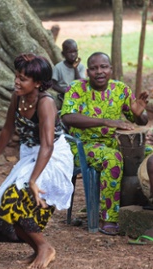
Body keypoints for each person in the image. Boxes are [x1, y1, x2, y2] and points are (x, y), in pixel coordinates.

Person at [0, 53, 74, 269]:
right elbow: (7, 129)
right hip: (31, 156)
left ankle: (45, 247)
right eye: (17, 76)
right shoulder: (18, 97)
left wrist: (34, 180)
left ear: (38, 84)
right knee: (9, 203)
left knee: (17, 198)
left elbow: (48, 145)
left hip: (53, 158)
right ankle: (38, 250)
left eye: (23, 79)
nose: (17, 82)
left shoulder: (46, 103)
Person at [61, 52, 152, 236]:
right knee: (113, 158)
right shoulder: (76, 88)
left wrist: (138, 113)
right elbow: (68, 117)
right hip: (83, 146)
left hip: (114, 142)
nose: (99, 72)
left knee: (147, 153)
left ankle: (145, 201)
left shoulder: (120, 89)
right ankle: (108, 218)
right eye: (94, 68)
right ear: (88, 71)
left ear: (111, 69)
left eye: (103, 67)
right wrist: (105, 121)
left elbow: (141, 121)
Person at [52, 39, 86, 107]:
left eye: (75, 51)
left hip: (78, 92)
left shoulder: (81, 67)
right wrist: (64, 91)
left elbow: (80, 83)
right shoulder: (58, 67)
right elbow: (53, 84)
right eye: (69, 52)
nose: (73, 54)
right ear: (63, 54)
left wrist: (75, 68)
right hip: (63, 94)